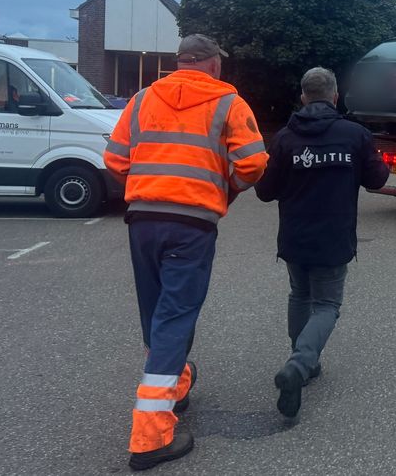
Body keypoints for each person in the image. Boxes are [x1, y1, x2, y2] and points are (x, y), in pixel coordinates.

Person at [104, 34, 267, 471]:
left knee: (156, 312)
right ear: (213, 65)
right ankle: (150, 435)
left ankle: (174, 381)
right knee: (175, 317)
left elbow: (115, 160)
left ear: (179, 64)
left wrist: (148, 190)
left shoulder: (141, 101)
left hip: (143, 221)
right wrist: (224, 189)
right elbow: (253, 163)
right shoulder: (228, 103)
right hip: (191, 225)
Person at [254, 67, 388, 418]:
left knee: (300, 295)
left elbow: (265, 192)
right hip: (334, 237)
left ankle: (304, 363)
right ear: (335, 97)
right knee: (327, 305)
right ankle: (299, 365)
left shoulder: (285, 138)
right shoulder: (354, 136)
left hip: (295, 237)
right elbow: (377, 180)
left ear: (303, 96)